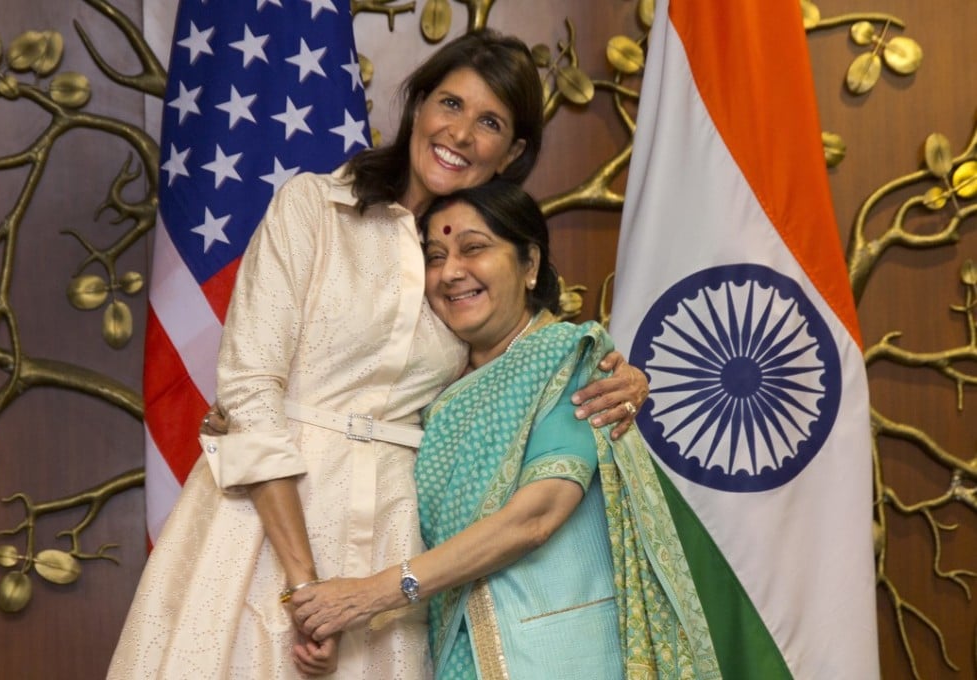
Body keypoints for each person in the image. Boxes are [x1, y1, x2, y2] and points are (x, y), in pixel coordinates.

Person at [108, 29, 648, 680]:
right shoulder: (314, 206)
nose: (461, 134)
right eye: (450, 105)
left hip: (398, 547)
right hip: (265, 531)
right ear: (417, 106)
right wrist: (305, 591)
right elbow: (250, 391)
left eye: (490, 122)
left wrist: (616, 376)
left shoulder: (465, 269)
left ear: (513, 151)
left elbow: (520, 374)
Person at [289, 180, 721, 680]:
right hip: (454, 651)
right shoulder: (429, 393)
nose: (451, 272)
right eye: (434, 257)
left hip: (564, 655)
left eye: (474, 248)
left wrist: (367, 597)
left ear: (530, 264)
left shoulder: (567, 357)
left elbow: (535, 517)